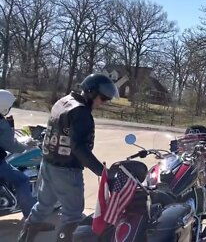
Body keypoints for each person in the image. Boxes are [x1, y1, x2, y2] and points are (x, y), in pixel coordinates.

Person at [18, 74, 119, 242]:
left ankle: (24, 239)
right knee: (72, 216)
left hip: (47, 164)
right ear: (91, 92)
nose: (103, 102)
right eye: (102, 98)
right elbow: (79, 148)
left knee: (42, 206)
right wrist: (104, 173)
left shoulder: (63, 101)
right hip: (67, 170)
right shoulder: (81, 112)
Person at [0, 90, 52, 223]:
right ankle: (32, 220)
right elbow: (12, 147)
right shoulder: (1, 123)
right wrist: (27, 145)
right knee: (22, 180)